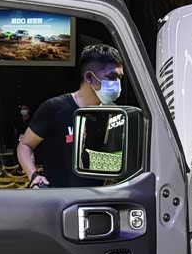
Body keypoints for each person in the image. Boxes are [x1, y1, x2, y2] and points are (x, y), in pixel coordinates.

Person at [17, 44, 123, 188]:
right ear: (89, 77)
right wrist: (34, 176)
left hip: (96, 197)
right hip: (58, 196)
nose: (117, 83)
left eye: (119, 77)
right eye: (111, 77)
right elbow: (25, 145)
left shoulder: (115, 114)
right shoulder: (54, 108)